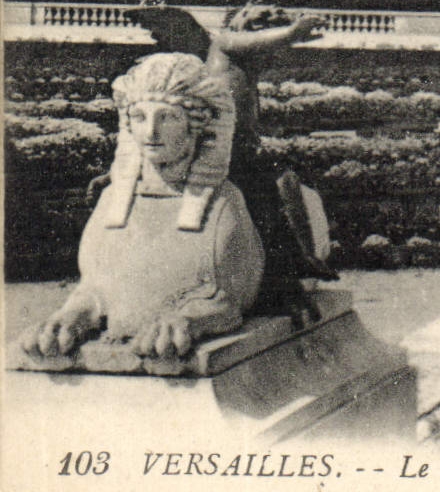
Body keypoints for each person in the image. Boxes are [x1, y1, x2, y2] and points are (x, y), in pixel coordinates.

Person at [24, 53, 264, 362]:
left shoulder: (222, 203)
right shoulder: (111, 199)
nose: (151, 132)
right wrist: (72, 314)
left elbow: (228, 299)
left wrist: (190, 321)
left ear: (196, 125)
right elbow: (94, 289)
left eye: (168, 117)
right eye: (139, 117)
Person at [124, 3, 335, 324]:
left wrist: (290, 36)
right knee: (270, 198)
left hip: (241, 150)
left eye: (269, 21)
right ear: (234, 22)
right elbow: (257, 40)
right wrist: (291, 33)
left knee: (283, 186)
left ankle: (300, 261)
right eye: (255, 16)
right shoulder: (224, 44)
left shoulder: (244, 62)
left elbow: (263, 45)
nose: (262, 23)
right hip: (224, 151)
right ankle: (289, 277)